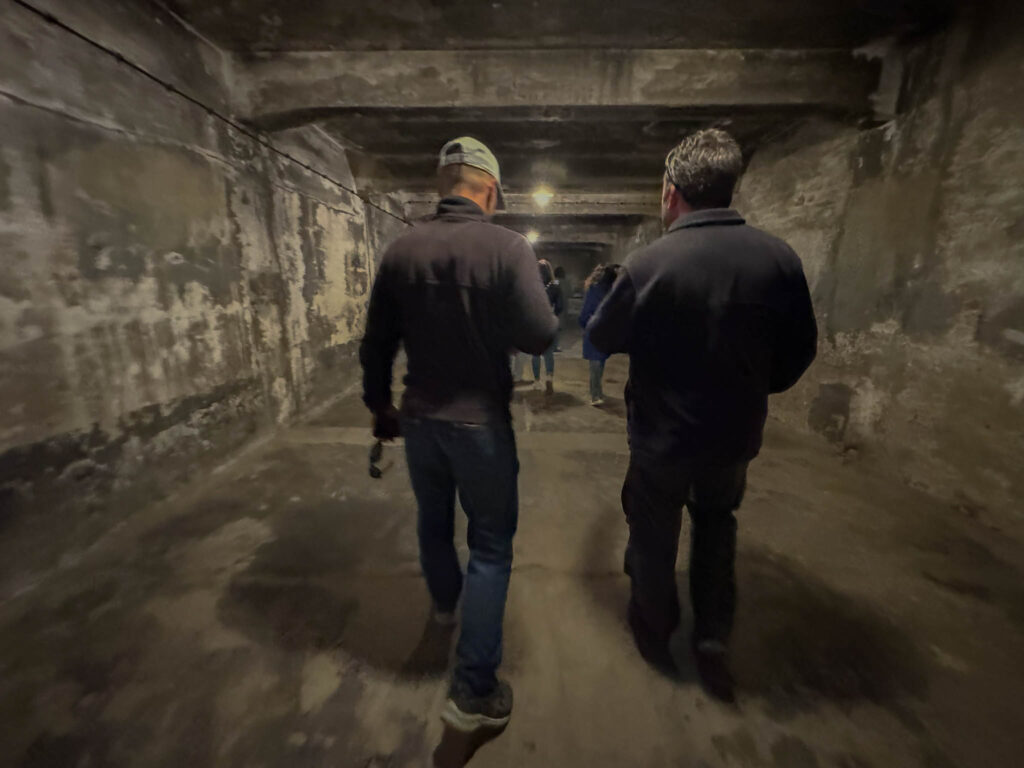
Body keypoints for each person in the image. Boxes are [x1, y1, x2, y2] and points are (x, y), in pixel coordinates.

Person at [587, 129, 817, 702]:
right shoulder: (778, 259)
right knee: (717, 525)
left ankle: (655, 628)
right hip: (734, 435)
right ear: (728, 187)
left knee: (654, 529)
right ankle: (712, 637)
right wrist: (758, 390)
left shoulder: (649, 264)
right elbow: (800, 349)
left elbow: (598, 336)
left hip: (662, 434)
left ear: (671, 192)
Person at [360, 136, 558, 731]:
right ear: (490, 190)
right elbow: (541, 337)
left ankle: (445, 610)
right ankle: (473, 693)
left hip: (419, 418)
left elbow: (376, 345)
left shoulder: (400, 250)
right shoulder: (508, 248)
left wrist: (380, 407)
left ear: (442, 184)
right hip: (481, 424)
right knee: (492, 546)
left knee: (432, 520)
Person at [579, 263, 620, 405]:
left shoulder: (593, 291)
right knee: (600, 363)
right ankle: (597, 393)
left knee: (595, 364)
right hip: (606, 332)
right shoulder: (613, 293)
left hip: (593, 331)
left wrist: (585, 325)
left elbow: (584, 314)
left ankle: (595, 394)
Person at [531, 259, 563, 394]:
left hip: (535, 321)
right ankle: (549, 377)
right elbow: (560, 305)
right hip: (550, 320)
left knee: (536, 353)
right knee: (549, 352)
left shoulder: (532, 285)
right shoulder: (555, 285)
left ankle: (537, 380)